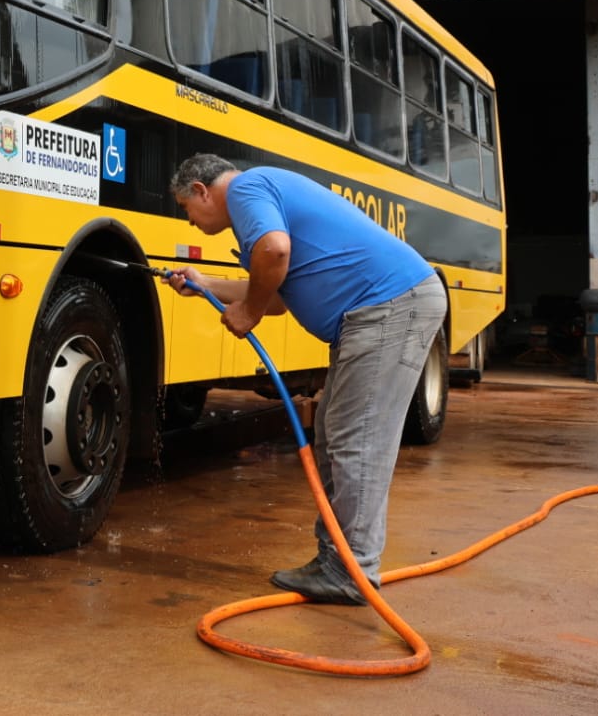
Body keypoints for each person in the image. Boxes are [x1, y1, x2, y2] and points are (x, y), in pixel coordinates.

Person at [165, 153, 445, 605]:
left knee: (357, 441)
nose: (191, 221)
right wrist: (207, 285)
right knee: (335, 438)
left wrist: (247, 312)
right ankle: (337, 560)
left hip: (388, 306)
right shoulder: (255, 202)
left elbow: (274, 253)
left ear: (201, 190)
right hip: (379, 311)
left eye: (186, 209)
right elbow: (276, 295)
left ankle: (351, 570)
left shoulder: (247, 189)